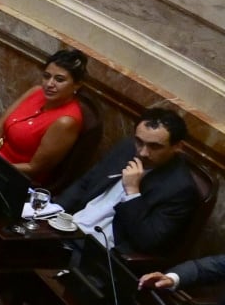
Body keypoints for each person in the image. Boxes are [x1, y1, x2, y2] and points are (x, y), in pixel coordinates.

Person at [54, 106, 197, 259]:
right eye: (139, 142)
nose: (142, 152)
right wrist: (54, 211)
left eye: (155, 146)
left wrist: (132, 192)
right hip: (69, 226)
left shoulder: (180, 189)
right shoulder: (127, 147)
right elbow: (85, 183)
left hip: (96, 251)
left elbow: (148, 240)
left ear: (177, 147)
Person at [0, 49, 89, 182]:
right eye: (46, 76)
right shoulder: (36, 91)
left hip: (11, 175)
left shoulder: (66, 121)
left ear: (77, 85)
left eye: (59, 80)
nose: (49, 84)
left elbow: (34, 168)